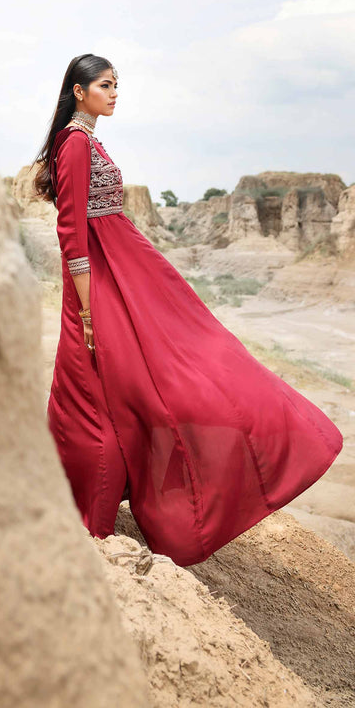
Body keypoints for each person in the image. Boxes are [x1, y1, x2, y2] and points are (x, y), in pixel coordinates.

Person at [33, 52, 343, 566]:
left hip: (125, 274)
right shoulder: (73, 143)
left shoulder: (88, 139)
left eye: (117, 85)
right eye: (106, 85)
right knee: (106, 392)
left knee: (188, 362)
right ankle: (89, 515)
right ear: (79, 90)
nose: (115, 93)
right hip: (102, 284)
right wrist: (88, 313)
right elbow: (72, 234)